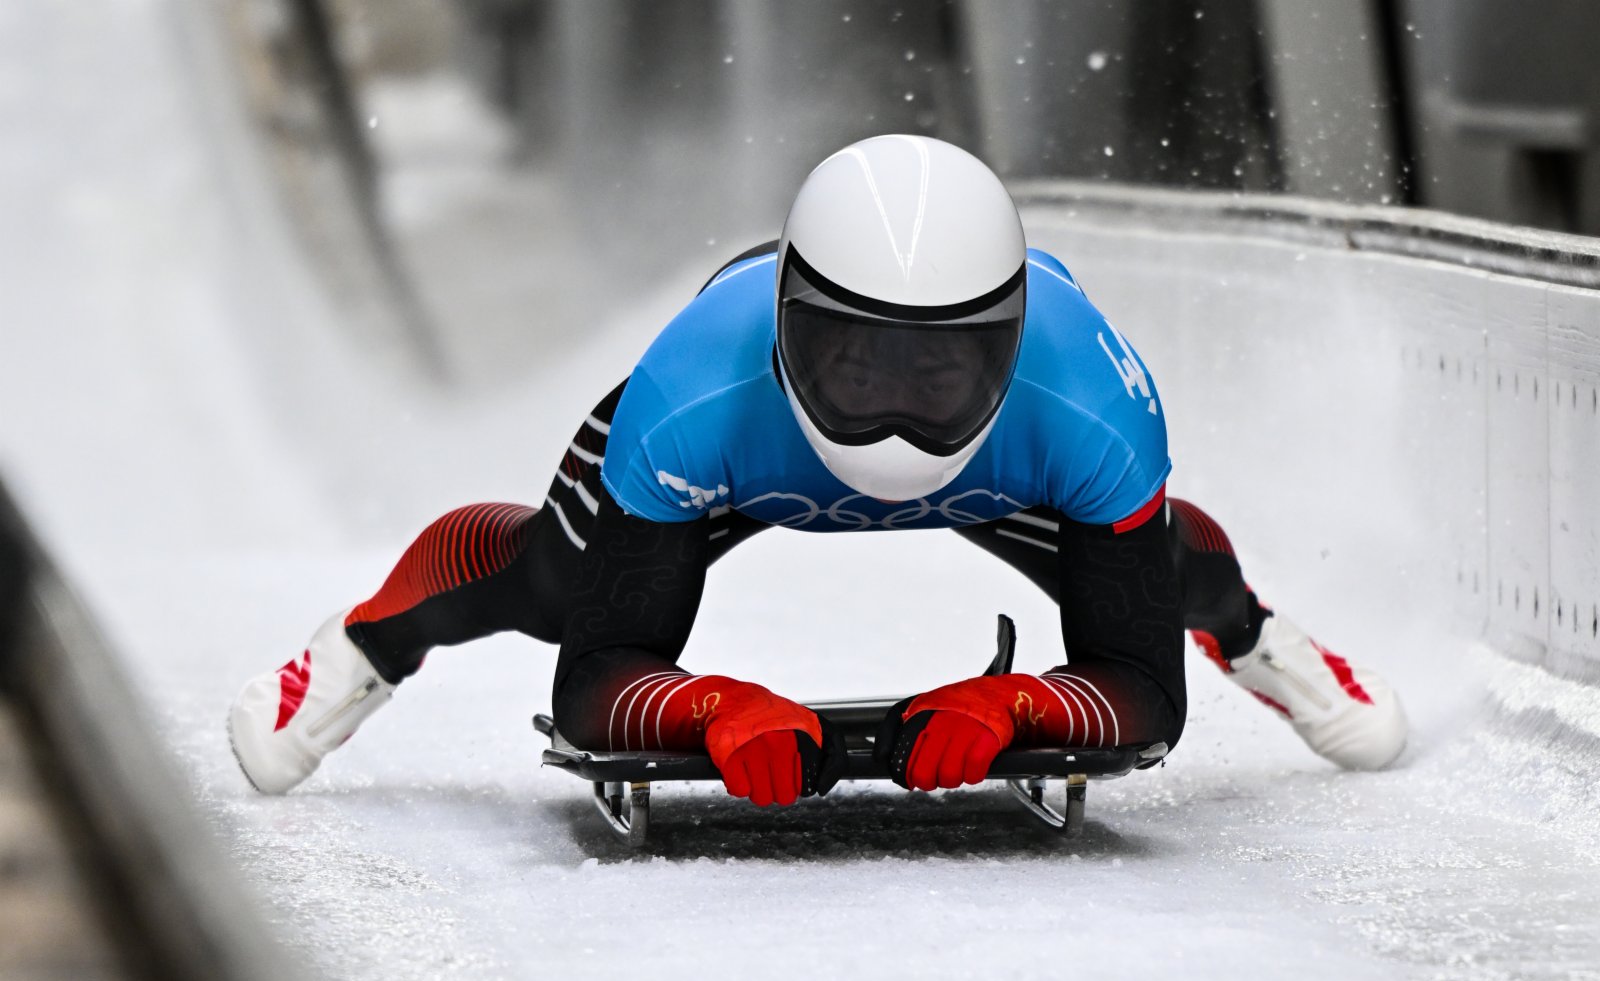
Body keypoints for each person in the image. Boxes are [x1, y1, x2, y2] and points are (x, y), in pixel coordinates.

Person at [228, 135, 1408, 805]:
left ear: (1003, 343)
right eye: (857, 362)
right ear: (792, 326)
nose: (893, 412)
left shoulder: (1092, 402)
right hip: (749, 454)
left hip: (965, 456)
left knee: (1161, 570)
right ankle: (365, 644)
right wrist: (704, 706)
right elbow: (596, 676)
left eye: (936, 371)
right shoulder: (692, 395)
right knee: (545, 581)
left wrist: (1020, 704)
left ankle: (1263, 639)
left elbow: (1145, 697)